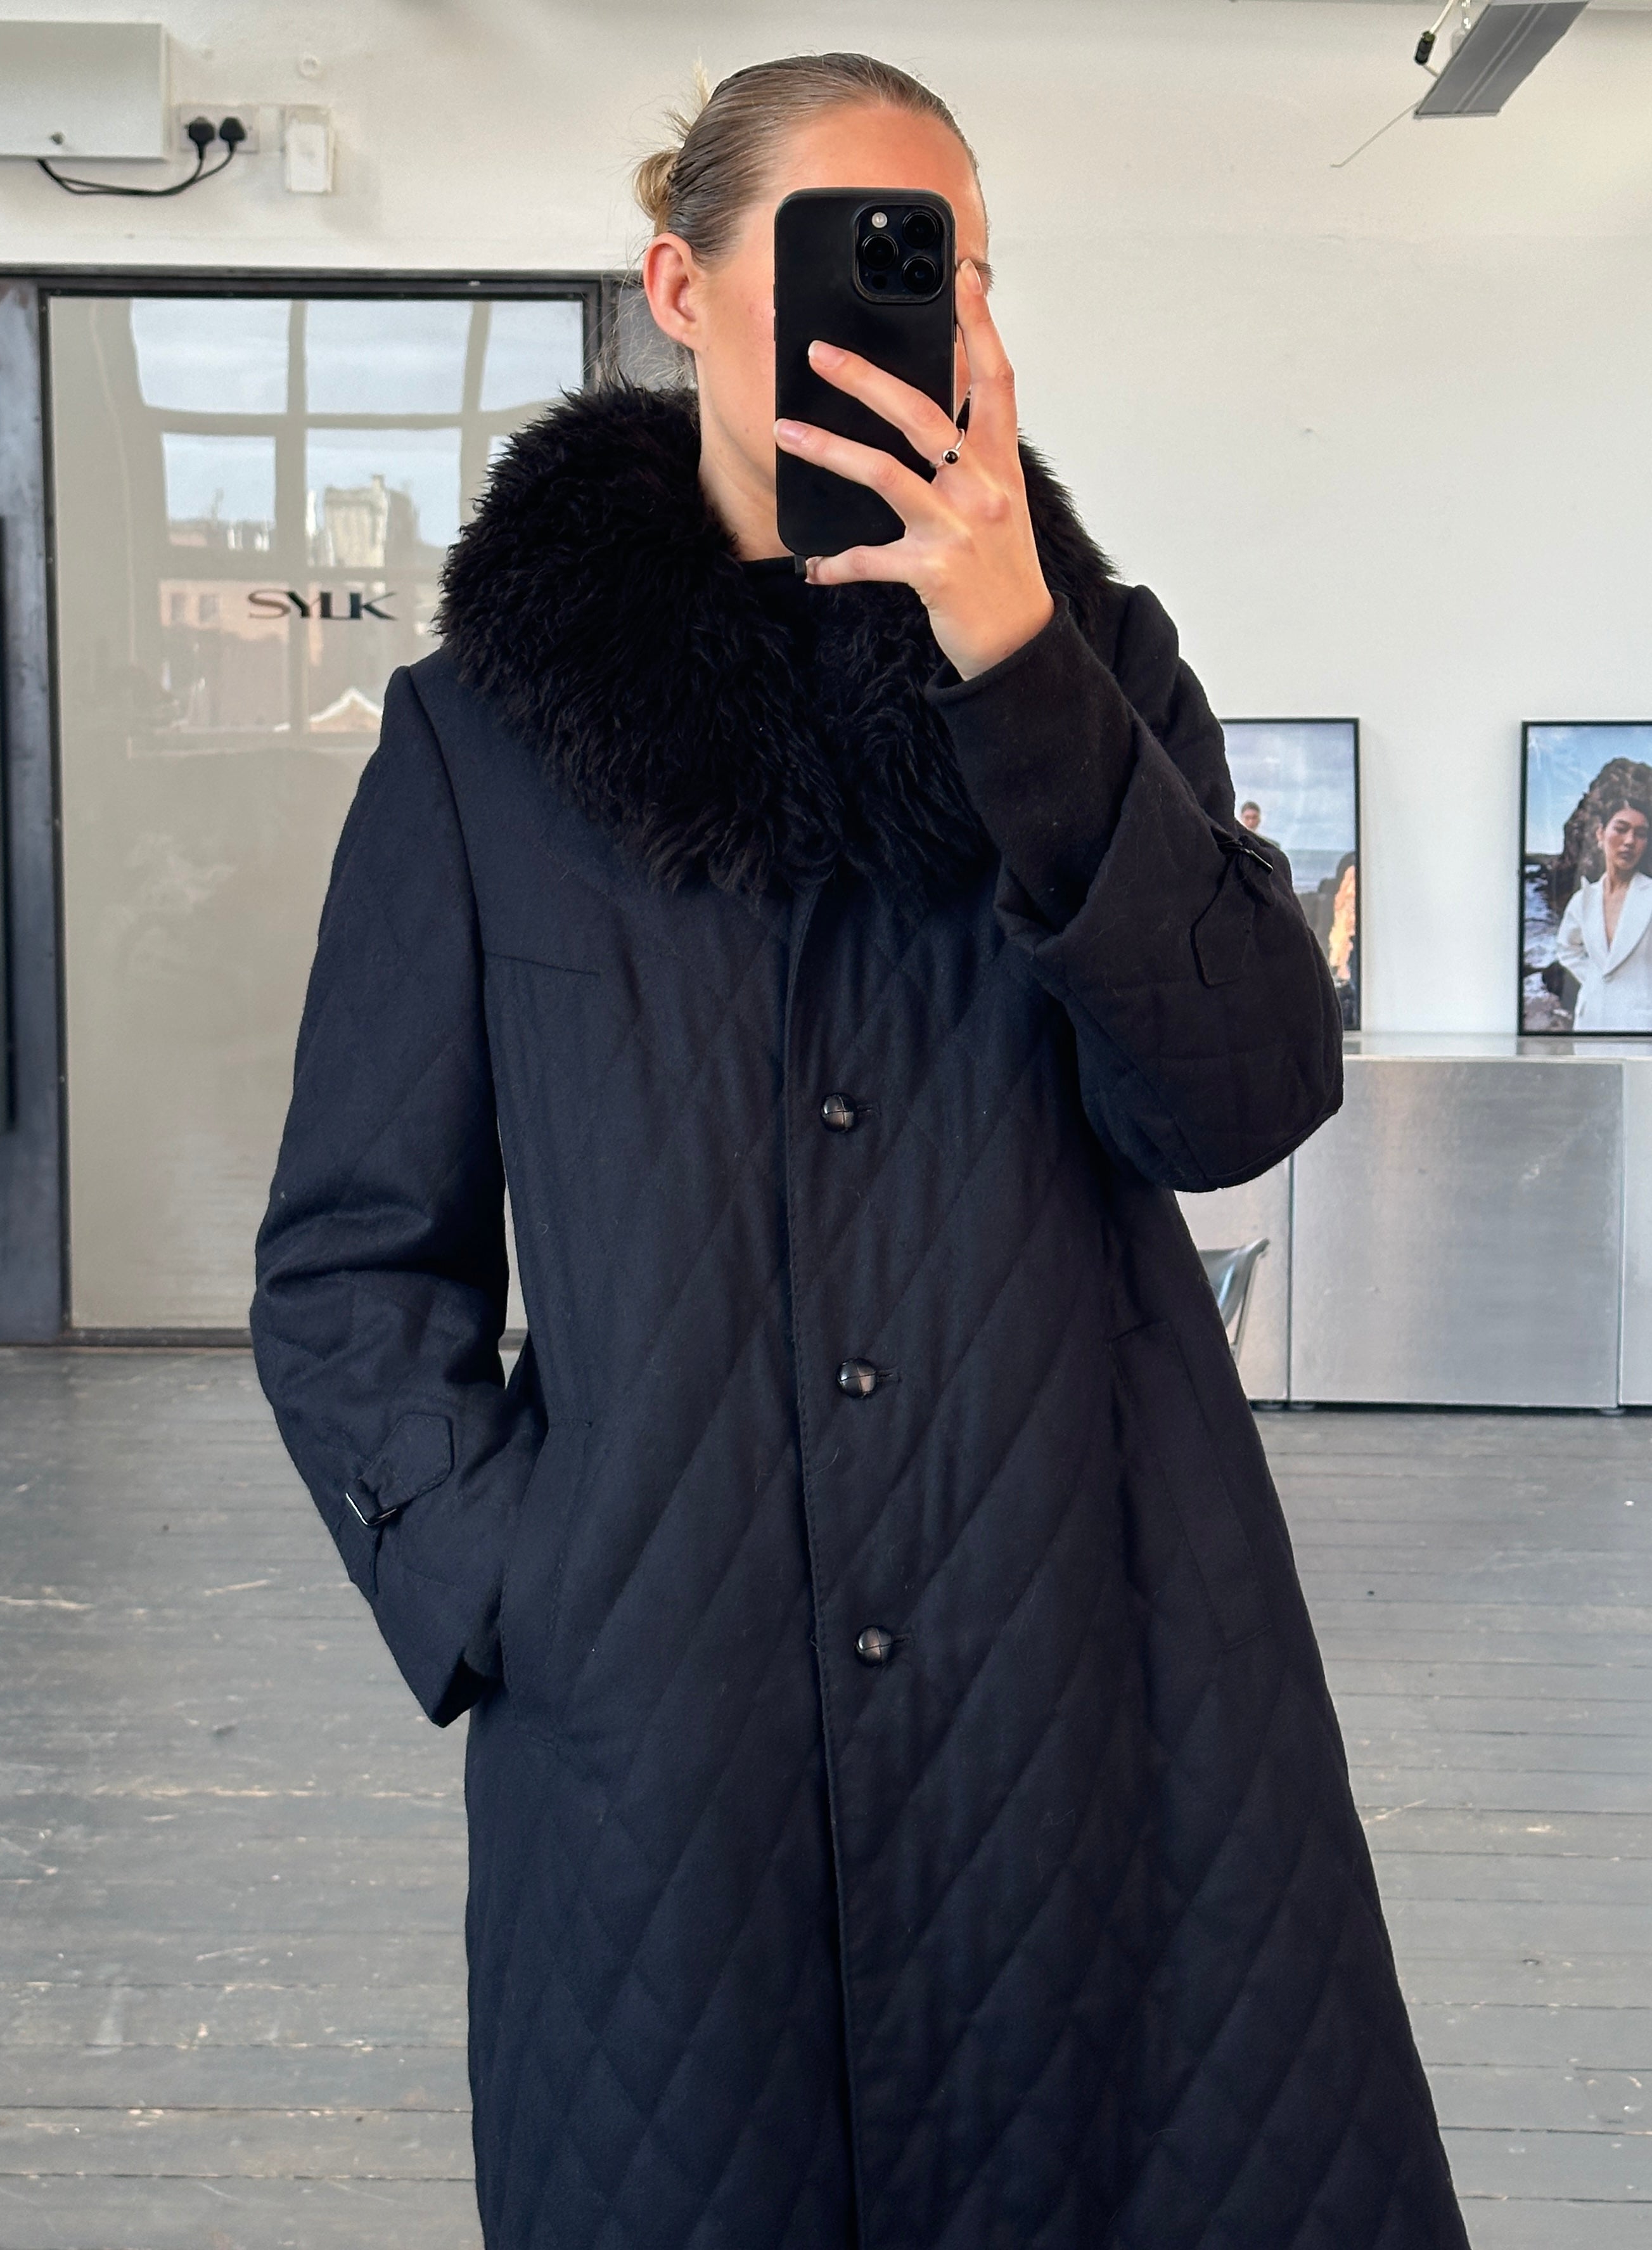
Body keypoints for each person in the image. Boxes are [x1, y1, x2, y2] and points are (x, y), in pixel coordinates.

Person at [252, 53, 1467, 2250]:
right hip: (667, 1750)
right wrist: (517, 1582)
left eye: (962, 268)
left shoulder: (1092, 668)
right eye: (870, 258)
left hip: (1097, 1701)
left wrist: (1013, 662)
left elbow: (1236, 1097)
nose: (938, 315)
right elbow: (349, 1259)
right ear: (680, 289)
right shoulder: (480, 746)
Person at [1554, 795, 1652, 1031]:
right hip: (1591, 1022)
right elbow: (1567, 948)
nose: (1630, 841)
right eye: (1621, 829)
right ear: (1601, 834)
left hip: (1641, 1025)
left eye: (1640, 834)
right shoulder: (1584, 899)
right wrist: (1594, 979)